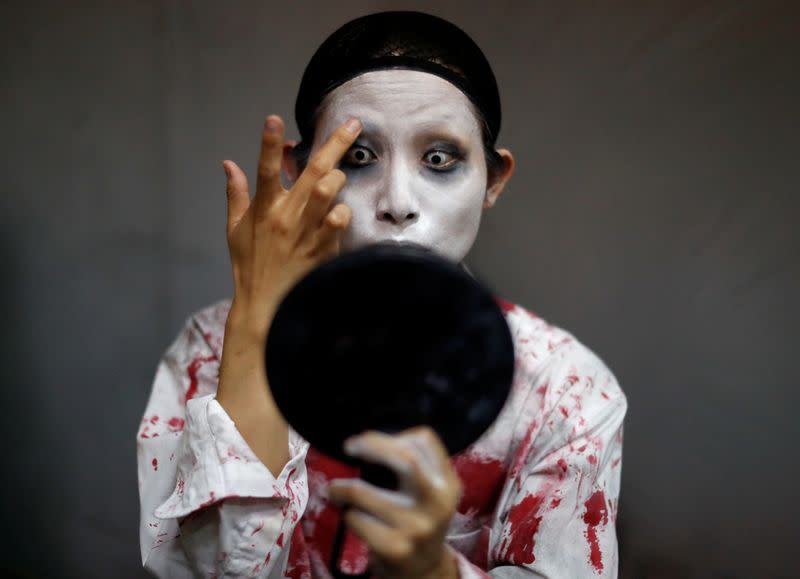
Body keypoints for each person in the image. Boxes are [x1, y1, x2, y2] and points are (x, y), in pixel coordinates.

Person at [137, 11, 627, 579]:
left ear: (493, 180)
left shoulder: (566, 389)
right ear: (300, 173)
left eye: (439, 159)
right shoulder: (206, 352)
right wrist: (255, 318)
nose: (397, 201)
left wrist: (433, 572)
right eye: (358, 157)